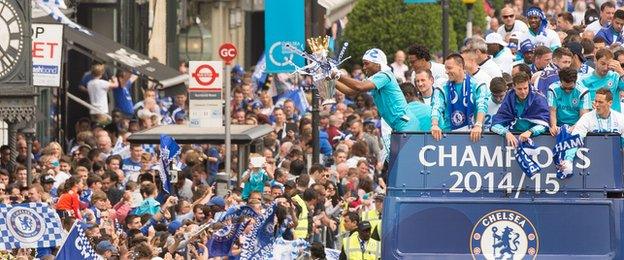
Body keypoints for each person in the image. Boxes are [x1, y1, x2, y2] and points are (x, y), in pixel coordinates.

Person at [333, 48, 410, 131]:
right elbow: (349, 91)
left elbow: (359, 86)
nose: (364, 67)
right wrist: (331, 79)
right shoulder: (374, 78)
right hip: (398, 124)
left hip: (404, 124)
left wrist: (337, 75)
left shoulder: (384, 75)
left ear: (378, 64)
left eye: (366, 64)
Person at [559, 88, 624, 176]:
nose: (596, 105)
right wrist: (568, 160)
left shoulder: (620, 119)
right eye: (595, 101)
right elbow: (575, 139)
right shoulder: (587, 118)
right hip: (592, 162)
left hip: (614, 164)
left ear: (610, 103)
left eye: (600, 102)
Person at [431, 54, 490, 142]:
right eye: (445, 69)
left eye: (449, 68)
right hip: (448, 136)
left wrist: (478, 125)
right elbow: (436, 107)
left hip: (473, 135)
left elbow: (482, 105)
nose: (446, 72)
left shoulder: (478, 85)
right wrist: (434, 125)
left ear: (461, 66)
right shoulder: (441, 88)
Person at [491, 72, 550, 147]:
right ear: (514, 87)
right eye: (519, 89)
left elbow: (545, 124)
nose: (523, 92)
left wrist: (530, 132)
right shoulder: (509, 97)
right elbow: (495, 124)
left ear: (529, 85)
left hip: (537, 139)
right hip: (514, 137)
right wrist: (506, 133)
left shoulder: (539, 98)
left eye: (525, 88)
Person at [548, 67, 591, 135]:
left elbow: (584, 116)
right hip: (559, 126)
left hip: (577, 126)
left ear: (575, 81)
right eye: (564, 88)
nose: (567, 90)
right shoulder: (552, 89)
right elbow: (552, 111)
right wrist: (553, 126)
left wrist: (575, 127)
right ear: (560, 81)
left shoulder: (583, 91)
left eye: (571, 88)